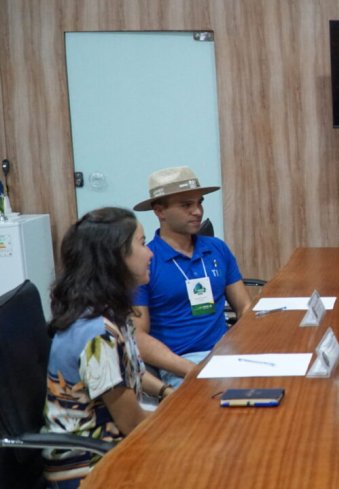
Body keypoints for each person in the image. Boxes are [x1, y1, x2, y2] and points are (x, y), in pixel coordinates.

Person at [42, 207, 174, 487]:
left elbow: (130, 374)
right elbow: (131, 423)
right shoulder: (96, 336)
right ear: (115, 257)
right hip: (90, 465)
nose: (150, 253)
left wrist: (168, 393)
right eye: (141, 243)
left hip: (111, 443)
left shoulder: (110, 312)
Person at [131, 166, 251, 388]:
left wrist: (247, 345)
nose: (197, 211)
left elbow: (244, 306)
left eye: (199, 203)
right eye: (186, 205)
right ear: (159, 211)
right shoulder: (146, 262)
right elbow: (138, 336)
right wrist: (194, 370)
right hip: (181, 365)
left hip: (228, 354)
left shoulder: (217, 248)